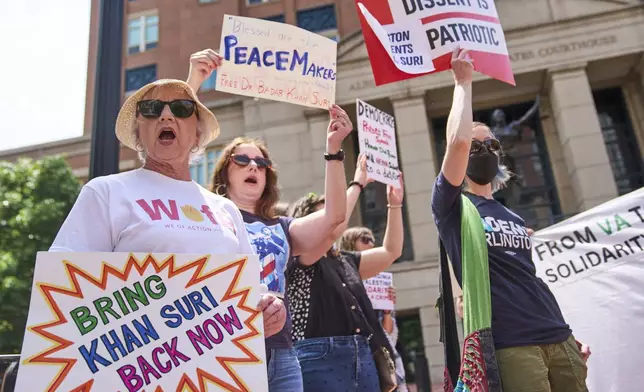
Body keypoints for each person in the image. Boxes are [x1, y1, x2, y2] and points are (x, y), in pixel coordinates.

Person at [49, 79, 286, 344]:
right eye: (151, 108)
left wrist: (268, 311)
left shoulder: (225, 208)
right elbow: (62, 281)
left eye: (182, 108)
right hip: (135, 372)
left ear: (197, 135)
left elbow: (251, 290)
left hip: (218, 373)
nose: (166, 115)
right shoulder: (106, 192)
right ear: (139, 132)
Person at [187, 49, 352, 391]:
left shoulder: (281, 227)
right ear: (224, 170)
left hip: (281, 355)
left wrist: (334, 150)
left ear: (267, 178)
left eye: (260, 163)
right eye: (241, 159)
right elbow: (174, 148)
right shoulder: (205, 214)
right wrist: (194, 83)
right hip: (222, 350)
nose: (252, 166)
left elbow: (335, 217)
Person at [431, 47, 589, 392]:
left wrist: (568, 335)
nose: (484, 151)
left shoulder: (512, 216)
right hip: (512, 343)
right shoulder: (452, 206)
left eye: (491, 145)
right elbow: (456, 142)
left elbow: (527, 278)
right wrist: (462, 82)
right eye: (476, 147)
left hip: (558, 335)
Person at [287, 155, 405, 391]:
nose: (337, 221)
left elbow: (391, 251)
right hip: (319, 358)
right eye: (324, 216)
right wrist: (357, 184)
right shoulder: (299, 258)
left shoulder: (344, 260)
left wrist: (395, 204)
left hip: (362, 355)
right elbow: (332, 227)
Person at [340, 228, 409, 392]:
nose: (371, 244)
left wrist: (387, 311)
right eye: (364, 239)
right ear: (350, 244)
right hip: (356, 360)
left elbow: (389, 337)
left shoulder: (380, 280)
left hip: (386, 366)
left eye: (372, 239)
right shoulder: (341, 281)